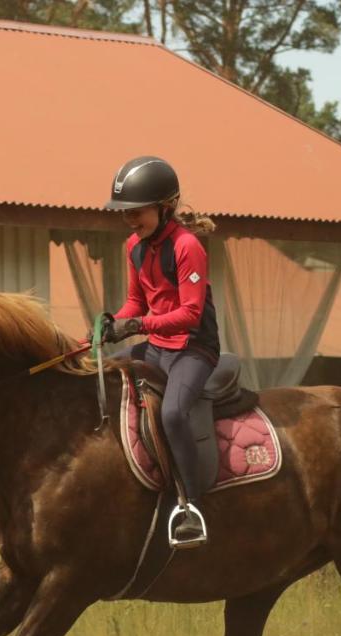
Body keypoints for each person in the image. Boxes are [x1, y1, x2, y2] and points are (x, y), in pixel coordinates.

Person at [100, 156, 220, 546]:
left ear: (164, 207)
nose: (131, 220)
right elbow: (136, 302)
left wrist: (136, 326)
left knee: (172, 412)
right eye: (125, 213)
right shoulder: (134, 246)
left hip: (193, 349)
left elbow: (189, 314)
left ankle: (191, 507)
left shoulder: (188, 248)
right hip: (157, 346)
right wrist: (111, 322)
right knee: (102, 380)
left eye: (138, 212)